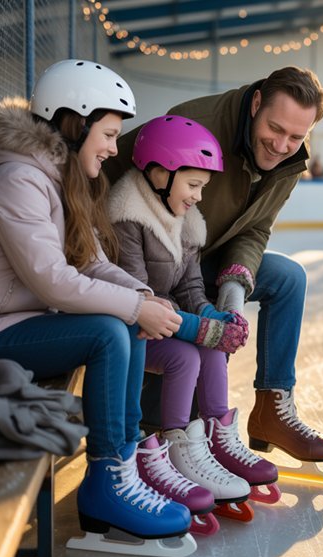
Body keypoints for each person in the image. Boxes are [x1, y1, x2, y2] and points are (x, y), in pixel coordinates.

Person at [0, 59, 193, 556]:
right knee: (110, 331)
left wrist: (142, 298)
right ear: (75, 123)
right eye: (110, 134)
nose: (116, 148)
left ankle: (124, 461)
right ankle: (105, 483)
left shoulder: (56, 181)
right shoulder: (19, 183)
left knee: (126, 318)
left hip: (13, 324)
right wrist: (133, 309)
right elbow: (52, 281)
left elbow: (90, 263)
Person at [105, 66, 323, 482]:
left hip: (202, 259)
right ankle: (173, 433)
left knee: (288, 278)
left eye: (296, 136)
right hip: (153, 259)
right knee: (194, 349)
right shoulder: (197, 125)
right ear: (255, 105)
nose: (283, 144)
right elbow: (111, 165)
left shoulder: (289, 161)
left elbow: (256, 228)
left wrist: (234, 287)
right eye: (275, 128)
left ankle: (271, 407)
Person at [107, 115, 282, 534]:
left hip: (164, 324)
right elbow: (138, 294)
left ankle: (215, 439)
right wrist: (195, 327)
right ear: (158, 174)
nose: (198, 197)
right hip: (130, 329)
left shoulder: (186, 222)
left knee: (208, 344)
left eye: (202, 187)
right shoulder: (126, 219)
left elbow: (188, 286)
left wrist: (210, 316)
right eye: (193, 185)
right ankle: (175, 447)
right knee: (187, 354)